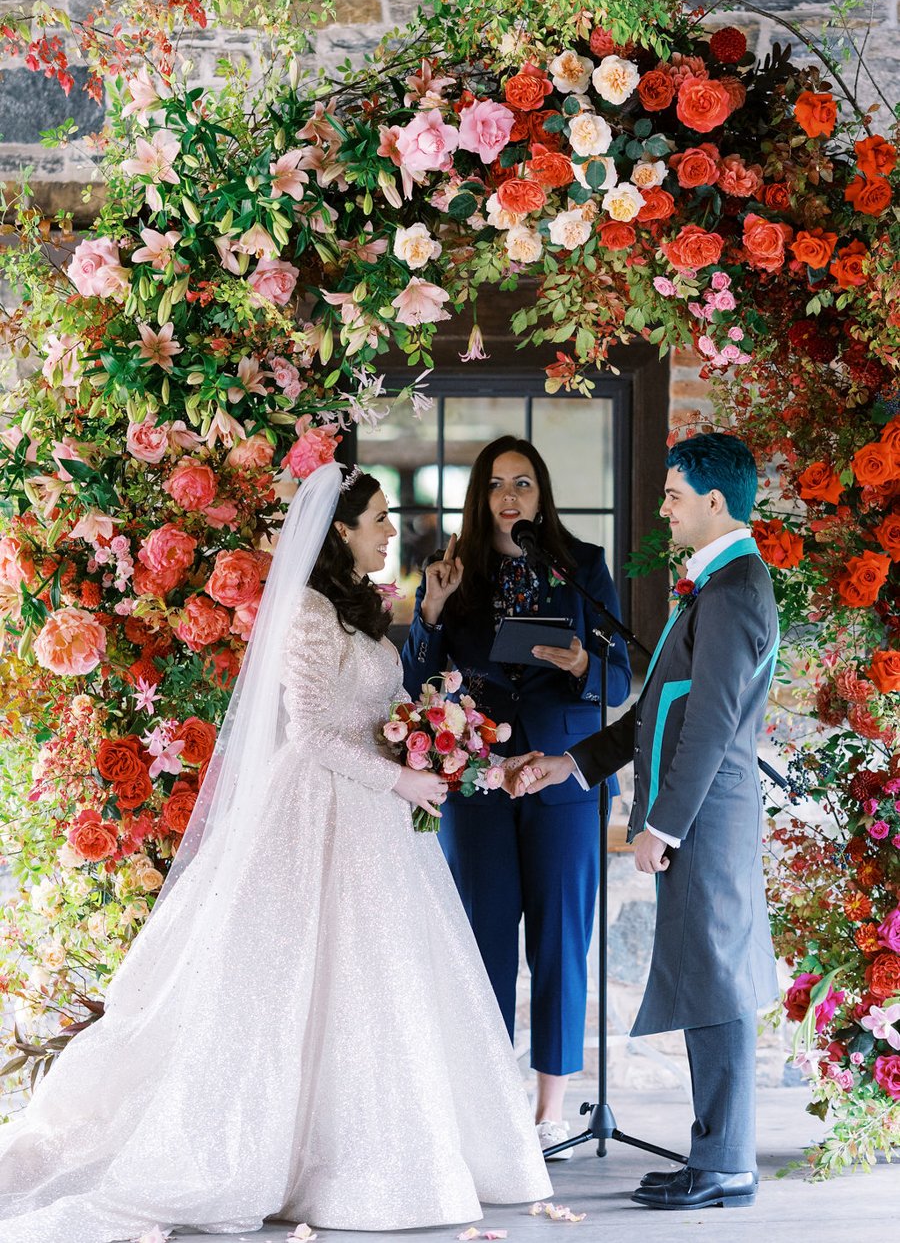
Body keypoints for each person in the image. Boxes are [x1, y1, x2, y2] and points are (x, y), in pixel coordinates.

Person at [0, 461, 551, 1243]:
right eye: (379, 519)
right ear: (341, 530)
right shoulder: (306, 610)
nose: (391, 530)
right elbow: (314, 732)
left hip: (377, 819)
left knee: (381, 981)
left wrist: (492, 769)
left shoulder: (360, 612)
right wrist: (400, 785)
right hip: (317, 810)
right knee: (297, 983)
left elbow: (404, 721)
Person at [514, 433, 780, 1211]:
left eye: (671, 495)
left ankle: (726, 1163)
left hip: (707, 818)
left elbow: (710, 723)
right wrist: (571, 764)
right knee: (706, 979)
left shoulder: (733, 592)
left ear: (714, 502)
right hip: (700, 816)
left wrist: (660, 826)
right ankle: (715, 1155)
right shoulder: (717, 586)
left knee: (718, 981)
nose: (663, 508)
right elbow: (657, 714)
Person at [401, 435, 631, 1160]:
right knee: (483, 944)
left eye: (524, 483)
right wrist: (429, 616)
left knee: (562, 943)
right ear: (480, 495)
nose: (510, 497)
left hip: (561, 777)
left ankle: (549, 1112)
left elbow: (622, 685)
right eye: (497, 483)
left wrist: (583, 662)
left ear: (542, 494)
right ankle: (488, 1103)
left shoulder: (584, 566)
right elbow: (413, 687)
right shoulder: (449, 572)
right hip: (478, 782)